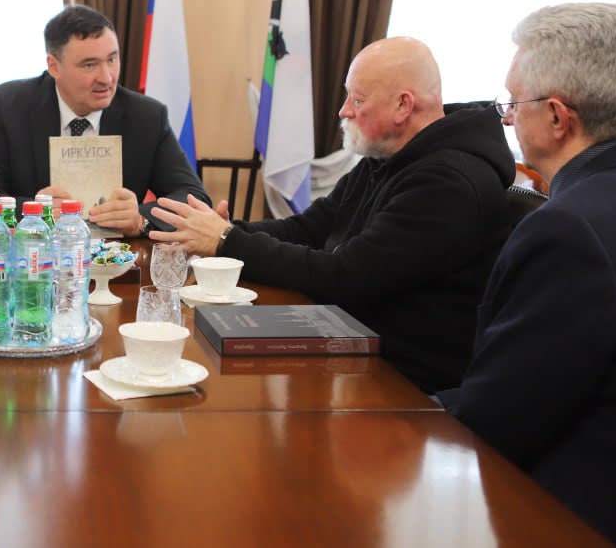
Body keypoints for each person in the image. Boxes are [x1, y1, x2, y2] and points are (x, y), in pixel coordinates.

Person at [438, 3, 616, 546]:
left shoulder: (569, 230)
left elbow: (497, 420)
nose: (505, 118)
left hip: (557, 516)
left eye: (512, 102)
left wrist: (398, 418)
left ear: (556, 117)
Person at [151, 37, 515, 393]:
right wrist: (225, 231)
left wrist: (226, 241)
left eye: (357, 100)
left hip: (401, 383)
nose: (343, 111)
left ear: (403, 105)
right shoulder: (388, 156)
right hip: (350, 344)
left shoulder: (448, 184)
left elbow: (348, 276)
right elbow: (308, 228)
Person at [0, 5, 209, 236]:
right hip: (35, 257)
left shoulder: (146, 116)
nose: (107, 78)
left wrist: (140, 218)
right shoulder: (7, 106)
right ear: (54, 66)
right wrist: (34, 211)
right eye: (89, 65)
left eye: (112, 59)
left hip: (118, 260)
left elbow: (193, 197)